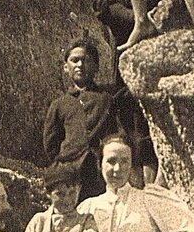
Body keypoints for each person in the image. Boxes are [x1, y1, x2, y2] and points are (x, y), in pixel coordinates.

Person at [42, 35, 155, 197]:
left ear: (96, 67)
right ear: (66, 67)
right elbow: (51, 144)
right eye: (74, 60)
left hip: (99, 171)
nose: (80, 65)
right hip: (71, 173)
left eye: (86, 61)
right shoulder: (59, 104)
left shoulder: (110, 95)